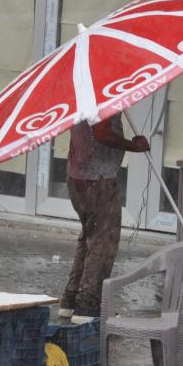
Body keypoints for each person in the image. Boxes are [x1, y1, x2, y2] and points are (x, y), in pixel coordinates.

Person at [60, 113, 150, 319]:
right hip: (97, 180)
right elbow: (101, 133)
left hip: (79, 177)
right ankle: (88, 307)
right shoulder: (101, 96)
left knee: (89, 240)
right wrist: (132, 146)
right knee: (103, 243)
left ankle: (71, 300)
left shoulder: (84, 94)